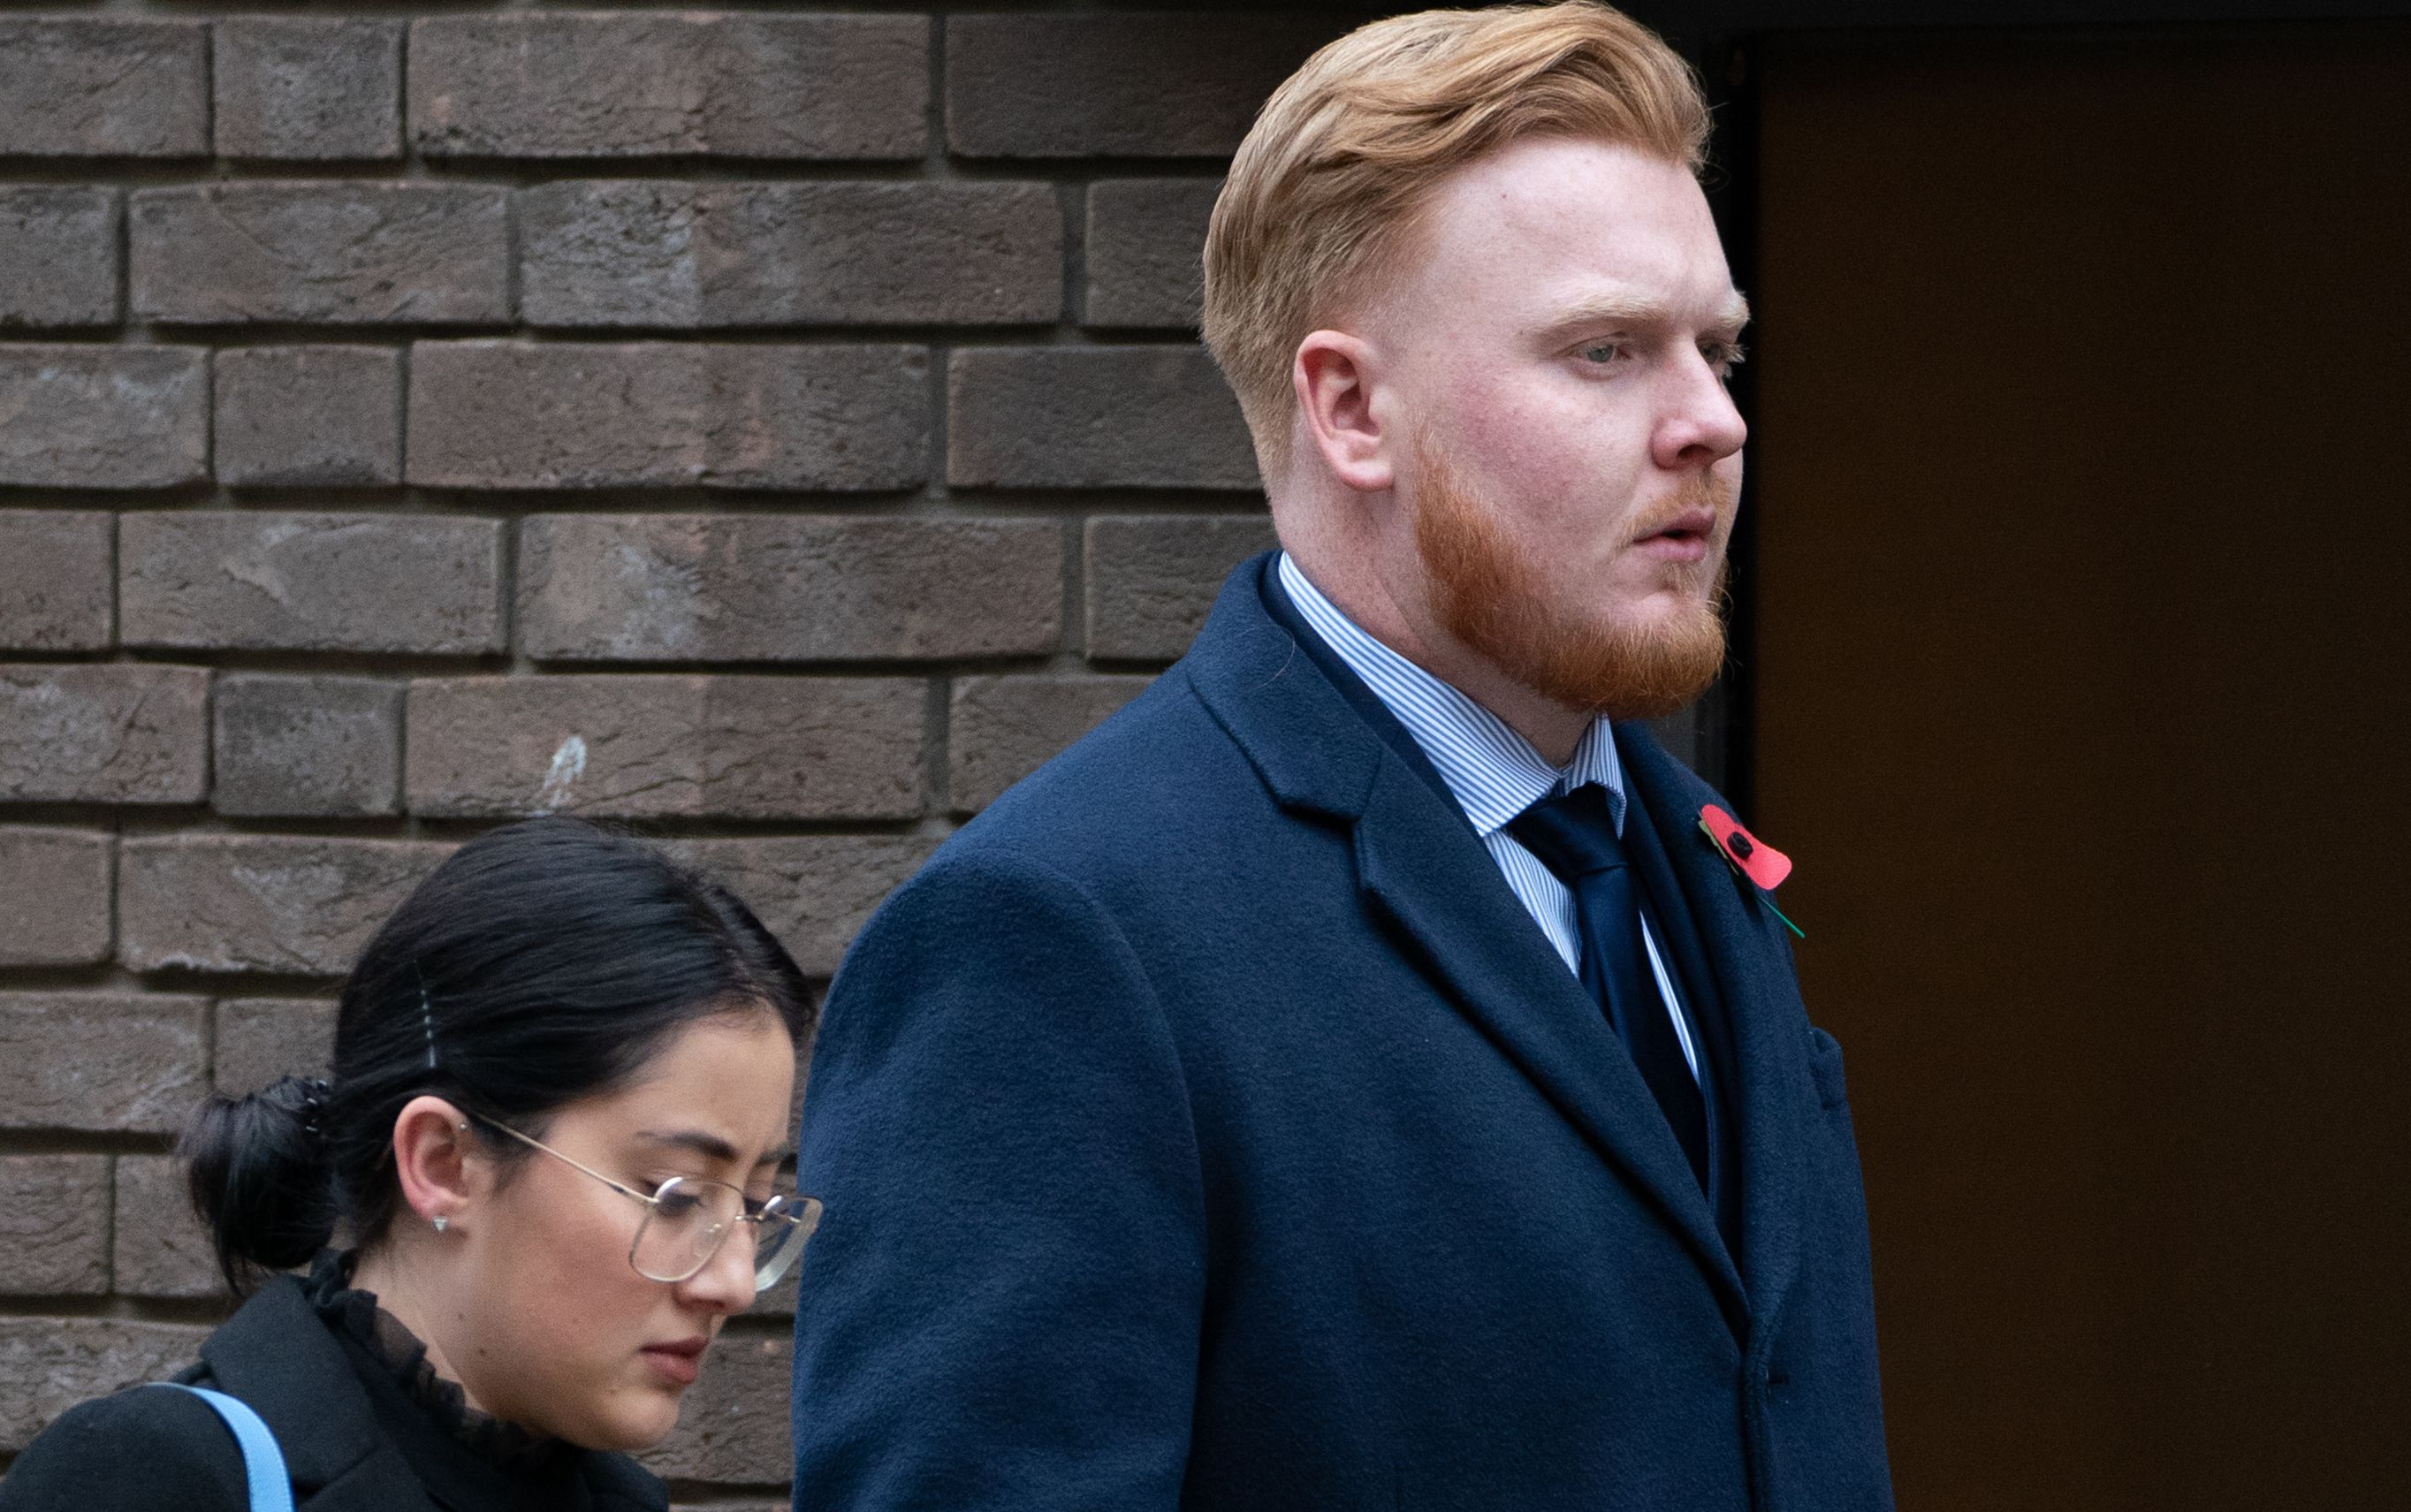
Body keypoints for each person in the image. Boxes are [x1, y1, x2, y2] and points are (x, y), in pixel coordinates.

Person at [792, 3, 1894, 1508]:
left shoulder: (1693, 864)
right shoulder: (1057, 937)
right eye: (1605, 350)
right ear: (1351, 408)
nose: (1711, 421)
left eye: (1717, 348)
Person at [0, 818, 820, 1512]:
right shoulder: (152, 1480)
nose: (735, 1282)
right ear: (445, 1162)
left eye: (753, 1204)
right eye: (673, 1195)